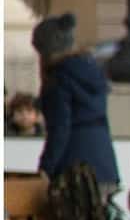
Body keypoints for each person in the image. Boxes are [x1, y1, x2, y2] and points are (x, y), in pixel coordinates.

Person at [31, 13, 120, 191]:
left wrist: (45, 169)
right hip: (105, 166)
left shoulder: (58, 80)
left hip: (75, 172)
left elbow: (60, 130)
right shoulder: (92, 71)